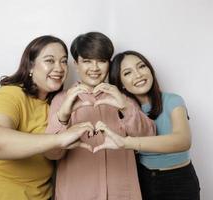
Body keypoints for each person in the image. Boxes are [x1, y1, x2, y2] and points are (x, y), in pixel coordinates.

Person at [0, 35, 94, 200]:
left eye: (63, 61)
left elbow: (55, 154)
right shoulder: (11, 94)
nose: (59, 68)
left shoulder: (56, 105)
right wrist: (59, 139)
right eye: (50, 60)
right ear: (31, 66)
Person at [45, 32, 156, 200]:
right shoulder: (61, 100)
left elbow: (149, 138)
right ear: (76, 64)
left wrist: (126, 108)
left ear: (109, 64)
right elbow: (51, 154)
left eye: (102, 61)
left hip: (122, 193)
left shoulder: (123, 97)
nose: (95, 68)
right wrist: (63, 117)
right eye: (87, 61)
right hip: (76, 194)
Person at [94, 50, 200, 200]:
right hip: (143, 180)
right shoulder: (123, 110)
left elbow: (183, 140)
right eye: (127, 73)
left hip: (179, 180)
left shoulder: (172, 100)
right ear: (121, 84)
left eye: (141, 66)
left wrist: (126, 143)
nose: (138, 75)